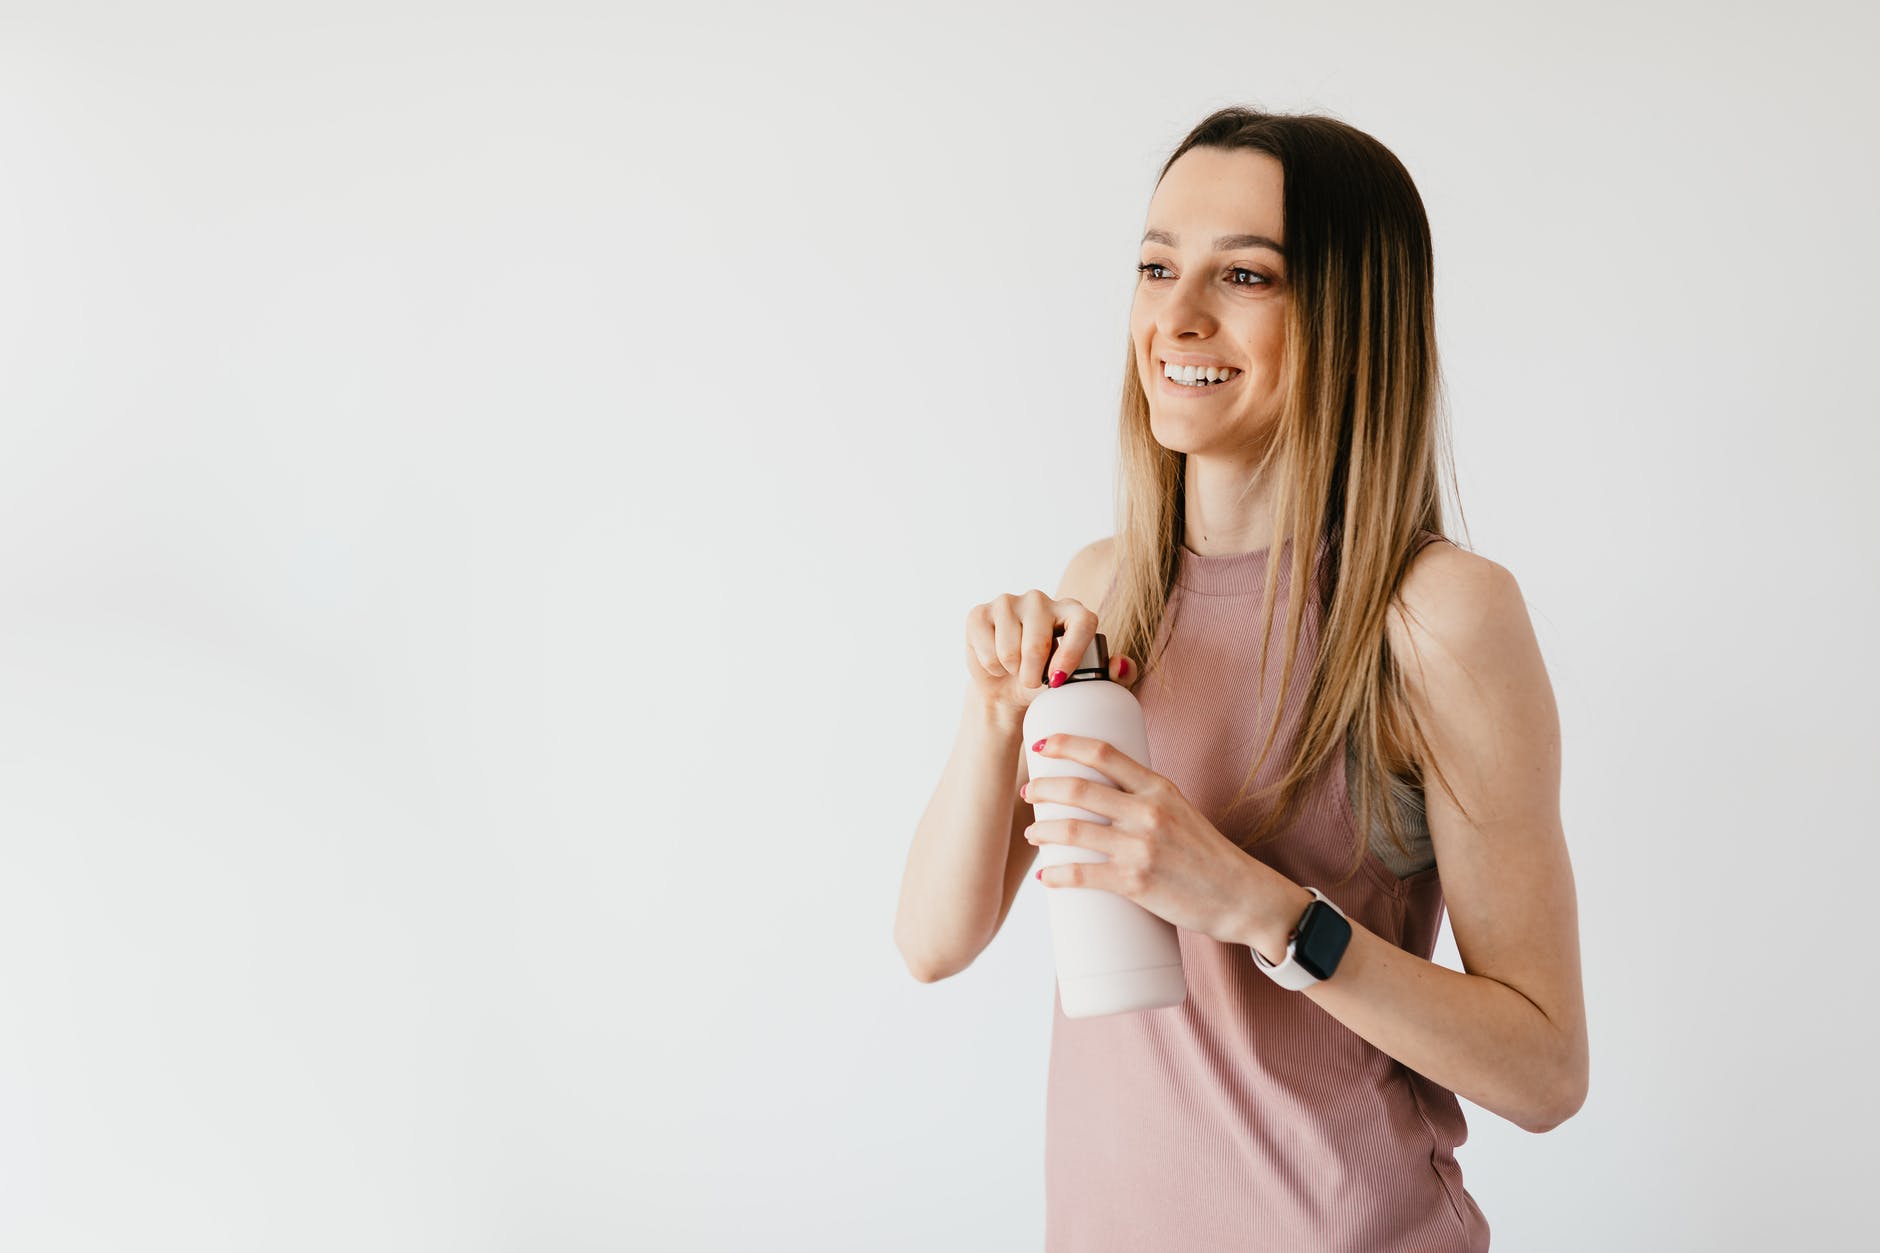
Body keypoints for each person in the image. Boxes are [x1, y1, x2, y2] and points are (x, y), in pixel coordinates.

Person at [893, 106, 1586, 1252]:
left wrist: (1257, 906)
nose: (1175, 316)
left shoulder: (1434, 617)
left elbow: (1544, 1066)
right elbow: (932, 939)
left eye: (1244, 275)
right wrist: (990, 716)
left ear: (1348, 317)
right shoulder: (1104, 588)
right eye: (1155, 264)